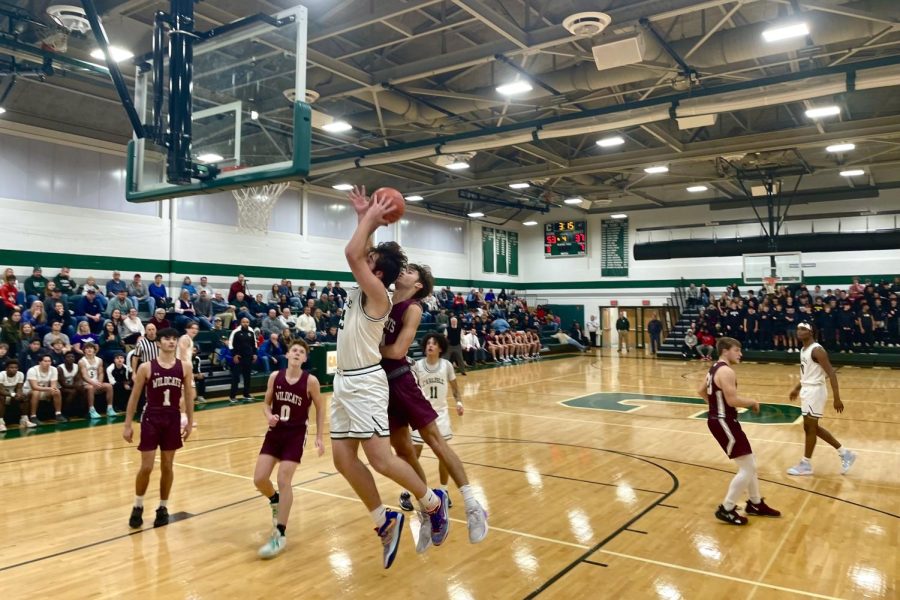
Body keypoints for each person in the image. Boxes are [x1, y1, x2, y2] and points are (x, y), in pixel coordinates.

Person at [330, 185, 448, 570]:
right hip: (344, 382)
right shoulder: (369, 285)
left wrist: (369, 218)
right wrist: (364, 217)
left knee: (380, 459)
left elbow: (354, 253)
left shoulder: (378, 296)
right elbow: (360, 250)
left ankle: (432, 502)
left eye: (372, 261)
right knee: (343, 459)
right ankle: (384, 520)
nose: (364, 258)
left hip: (365, 382)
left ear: (376, 273)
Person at [381, 265, 488, 551]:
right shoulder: (386, 300)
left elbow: (396, 351)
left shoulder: (412, 307)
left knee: (436, 442)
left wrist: (366, 347)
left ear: (418, 285)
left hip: (402, 380)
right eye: (403, 268)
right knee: (403, 453)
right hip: (384, 387)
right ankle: (428, 511)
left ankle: (472, 504)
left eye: (410, 271)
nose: (403, 272)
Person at [252, 340, 324, 559]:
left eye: (301, 352)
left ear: (304, 359)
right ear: (287, 354)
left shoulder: (310, 381)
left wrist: (319, 437)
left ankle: (280, 533)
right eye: (294, 350)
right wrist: (268, 416)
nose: (297, 353)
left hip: (295, 435)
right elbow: (265, 403)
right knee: (259, 479)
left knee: (284, 479)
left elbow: (320, 408)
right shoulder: (275, 377)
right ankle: (274, 500)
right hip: (275, 433)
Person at [698, 337, 780, 525]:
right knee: (747, 467)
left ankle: (755, 503)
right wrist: (752, 402)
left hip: (721, 419)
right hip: (724, 421)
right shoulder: (726, 371)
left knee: (749, 463)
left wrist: (715, 409)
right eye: (737, 350)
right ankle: (726, 508)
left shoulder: (714, 368)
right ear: (725, 351)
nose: (740, 354)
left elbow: (701, 390)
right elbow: (732, 401)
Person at [123, 328, 195, 529]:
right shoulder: (146, 367)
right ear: (158, 343)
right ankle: (138, 506)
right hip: (151, 417)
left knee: (167, 466)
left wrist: (189, 421)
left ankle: (163, 507)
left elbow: (188, 396)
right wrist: (128, 424)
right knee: (146, 466)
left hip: (172, 417)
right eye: (167, 338)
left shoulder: (185, 367)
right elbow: (134, 397)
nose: (171, 342)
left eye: (174, 338)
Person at [786, 323, 856, 476]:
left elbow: (831, 373)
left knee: (810, 428)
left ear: (811, 332)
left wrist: (837, 398)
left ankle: (806, 464)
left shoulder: (817, 350)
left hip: (815, 391)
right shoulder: (804, 349)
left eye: (803, 329)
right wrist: (797, 388)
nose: (799, 331)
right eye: (798, 329)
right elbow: (807, 373)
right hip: (807, 389)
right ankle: (845, 453)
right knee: (811, 428)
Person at [25, 354, 66, 426]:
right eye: (45, 361)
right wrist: (49, 389)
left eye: (49, 361)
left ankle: (58, 414)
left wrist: (51, 391)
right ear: (40, 362)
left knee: (57, 391)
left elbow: (53, 385)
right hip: (29, 390)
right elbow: (34, 387)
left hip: (44, 390)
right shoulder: (32, 370)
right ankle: (33, 416)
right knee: (36, 392)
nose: (48, 363)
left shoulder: (53, 369)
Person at [80, 342, 115, 418]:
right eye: (87, 348)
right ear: (84, 350)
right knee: (90, 387)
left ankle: (110, 408)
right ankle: (91, 410)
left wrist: (99, 382)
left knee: (109, 386)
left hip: (96, 382)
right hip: (86, 384)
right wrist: (93, 383)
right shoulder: (82, 361)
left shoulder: (99, 360)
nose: (89, 350)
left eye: (91, 348)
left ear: (94, 350)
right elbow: (84, 376)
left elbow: (101, 373)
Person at [228, 317, 257, 403]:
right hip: (239, 358)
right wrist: (234, 355)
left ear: (249, 323)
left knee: (247, 377)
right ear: (241, 323)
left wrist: (255, 354)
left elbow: (254, 344)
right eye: (243, 322)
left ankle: (246, 394)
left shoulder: (251, 332)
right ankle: (232, 396)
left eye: (247, 322)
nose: (245, 323)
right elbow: (230, 344)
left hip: (248, 358)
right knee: (236, 378)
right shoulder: (236, 332)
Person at [0, 359, 27, 431]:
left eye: (16, 368)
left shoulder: (20, 374)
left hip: (12, 394)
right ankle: (1, 423)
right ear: (6, 369)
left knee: (24, 396)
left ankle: (24, 419)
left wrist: (19, 394)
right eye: (11, 367)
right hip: (3, 394)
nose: (14, 369)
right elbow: (1, 390)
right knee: (1, 397)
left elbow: (19, 388)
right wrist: (13, 394)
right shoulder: (1, 375)